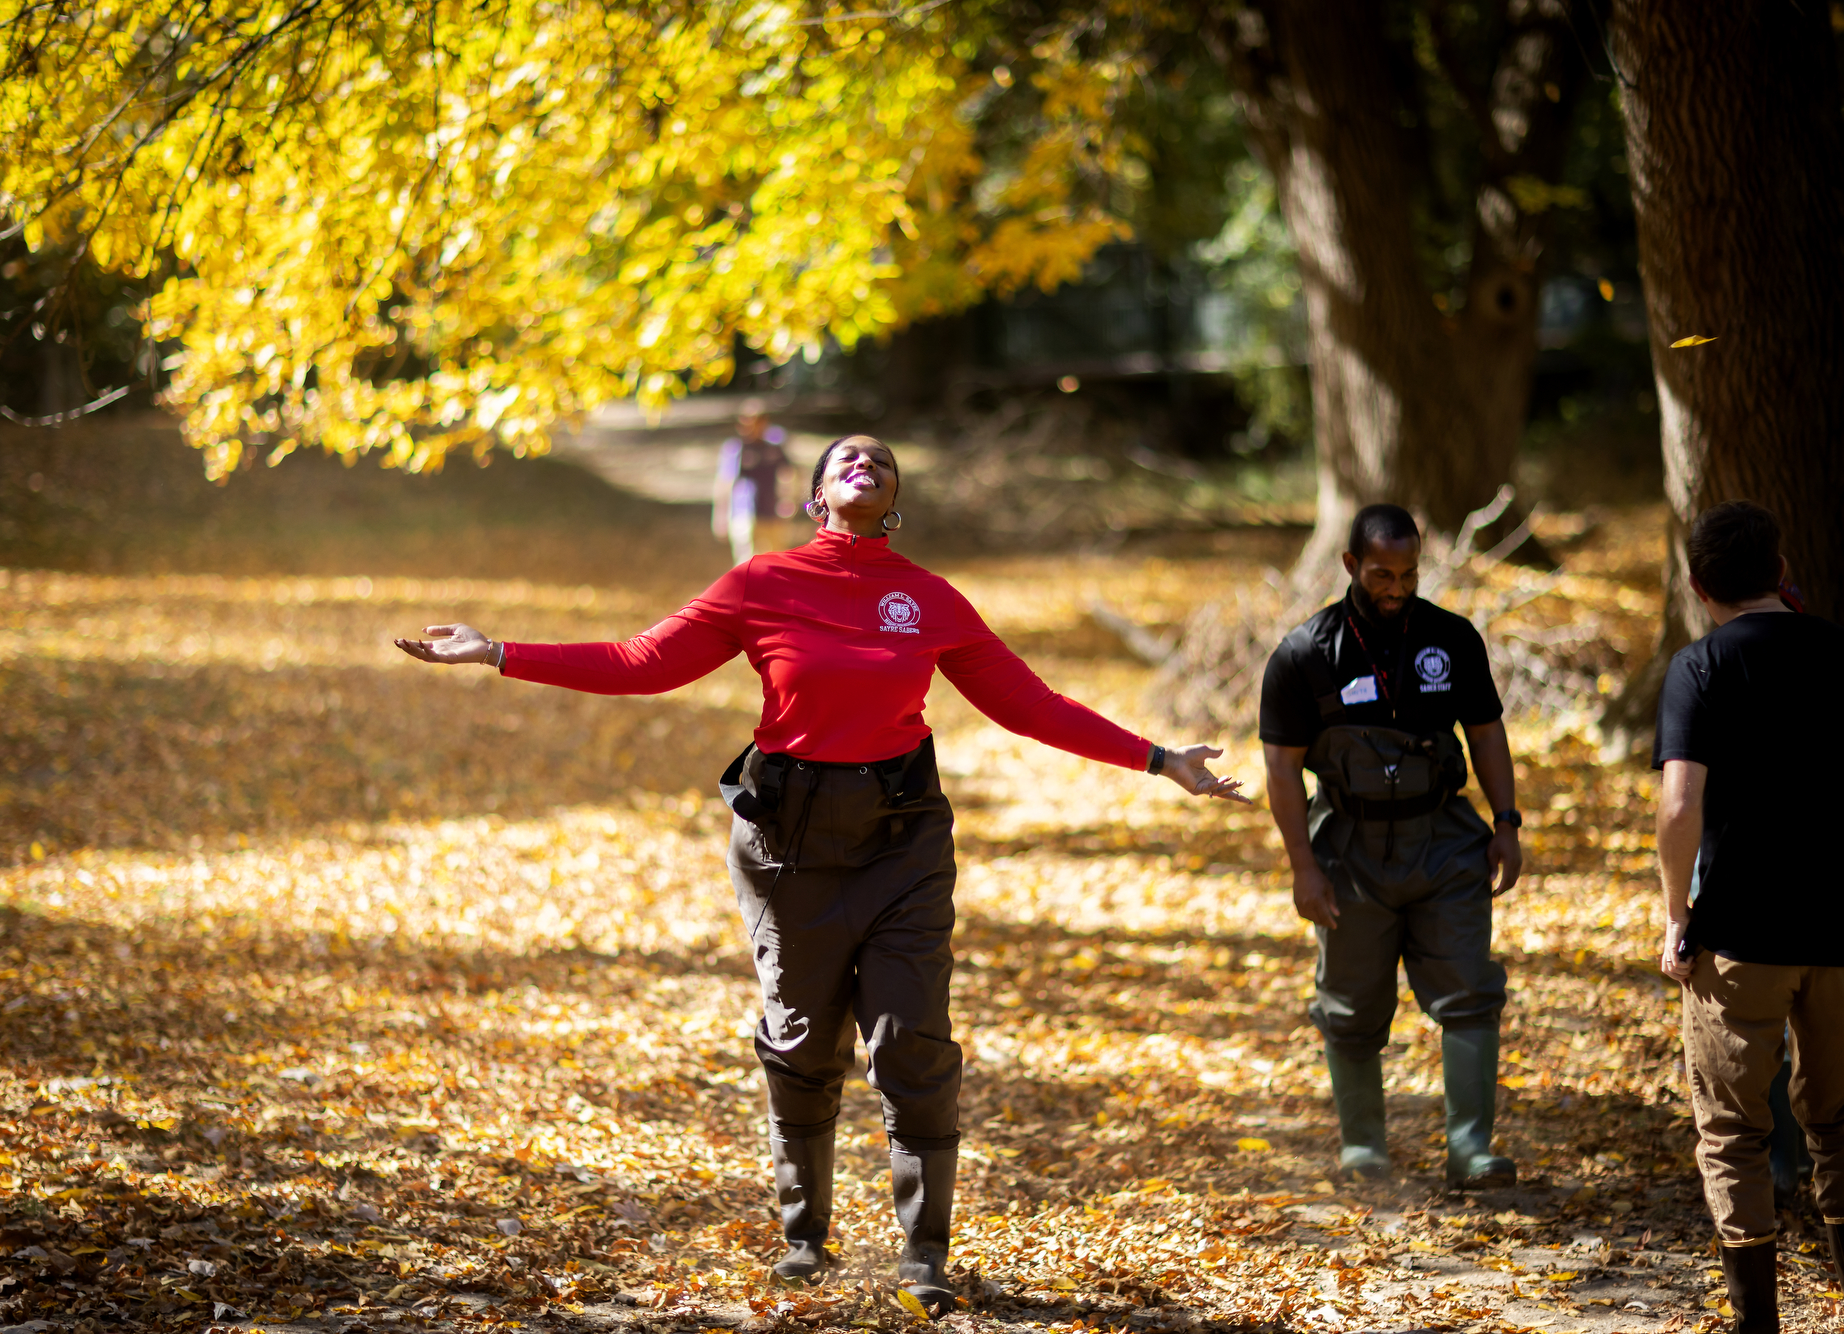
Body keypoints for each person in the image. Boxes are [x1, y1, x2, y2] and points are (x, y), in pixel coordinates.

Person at [396, 435, 1249, 1311]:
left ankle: (925, 1255)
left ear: (893, 500)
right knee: (802, 1043)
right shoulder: (761, 584)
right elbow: (643, 662)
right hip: (785, 849)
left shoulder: (926, 597)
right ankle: (805, 1239)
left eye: (880, 461)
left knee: (912, 1042)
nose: (864, 464)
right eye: (845, 459)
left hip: (902, 842)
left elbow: (1029, 705)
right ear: (816, 499)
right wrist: (501, 652)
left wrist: (1157, 759)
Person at [1654, 500, 1844, 1334]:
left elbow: (1681, 805)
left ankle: (1760, 1328)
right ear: (1780, 569)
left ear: (1698, 584)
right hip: (1842, 935)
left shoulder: (1699, 667)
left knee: (1731, 1130)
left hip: (1741, 939)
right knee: (1836, 1118)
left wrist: (1675, 913)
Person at [1258, 503, 1523, 1187]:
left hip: (1445, 840)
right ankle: (1363, 1147)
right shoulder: (1304, 653)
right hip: (1349, 848)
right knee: (1349, 1001)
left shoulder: (1452, 638)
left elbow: (1486, 732)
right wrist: (1303, 867)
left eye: (1408, 574)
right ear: (1350, 565)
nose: (1396, 588)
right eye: (1382, 574)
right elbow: (1283, 768)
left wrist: (1507, 822)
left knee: (1469, 990)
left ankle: (1470, 1150)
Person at [712, 398, 793, 565]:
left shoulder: (774, 447)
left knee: (776, 563)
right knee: (746, 565)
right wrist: (720, 516)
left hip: (772, 513)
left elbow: (789, 473)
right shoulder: (735, 450)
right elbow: (725, 483)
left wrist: (788, 500)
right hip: (744, 514)